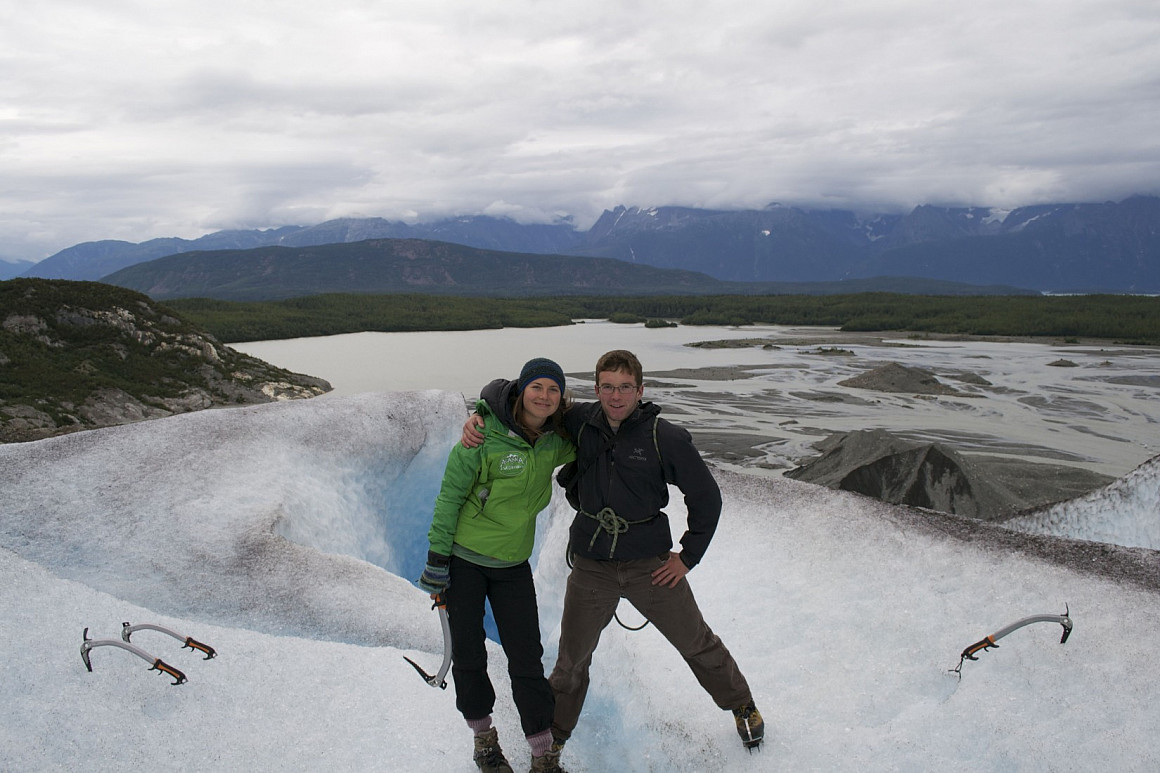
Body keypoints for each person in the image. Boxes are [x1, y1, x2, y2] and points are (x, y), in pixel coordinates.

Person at [463, 349, 763, 764]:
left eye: (625, 388)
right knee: (571, 661)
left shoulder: (664, 436)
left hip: (651, 565)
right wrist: (479, 415)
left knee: (695, 641)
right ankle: (555, 739)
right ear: (597, 388)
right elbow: (505, 395)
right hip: (592, 565)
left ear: (640, 390)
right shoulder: (580, 420)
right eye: (607, 387)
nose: (616, 396)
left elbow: (705, 496)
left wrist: (687, 557)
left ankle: (741, 703)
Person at [420, 358, 576, 773]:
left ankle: (543, 755)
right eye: (537, 387)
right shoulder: (481, 435)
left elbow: (594, 432)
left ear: (560, 398)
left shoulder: (555, 441)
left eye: (553, 390)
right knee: (469, 655)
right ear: (521, 390)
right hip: (465, 562)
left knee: (526, 657)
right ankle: (484, 742)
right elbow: (450, 496)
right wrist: (438, 561)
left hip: (513, 565)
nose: (544, 396)